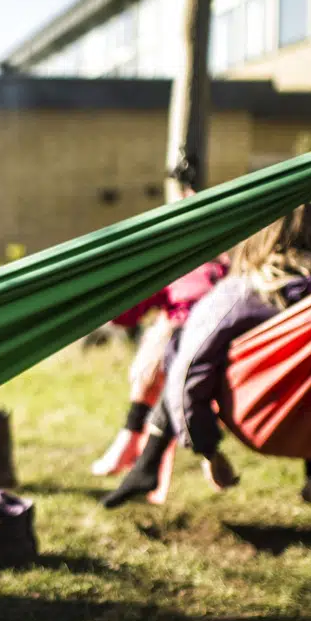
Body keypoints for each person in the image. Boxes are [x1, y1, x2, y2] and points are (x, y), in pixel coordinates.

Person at [104, 203, 311, 533]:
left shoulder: (238, 294)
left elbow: (190, 373)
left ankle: (148, 462)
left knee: (180, 343)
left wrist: (208, 450)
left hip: (260, 418)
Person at [92, 180, 229, 476]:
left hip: (221, 345)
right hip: (177, 347)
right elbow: (128, 315)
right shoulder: (173, 271)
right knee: (164, 335)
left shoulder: (227, 267)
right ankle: (132, 436)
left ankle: (139, 439)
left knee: (170, 337)